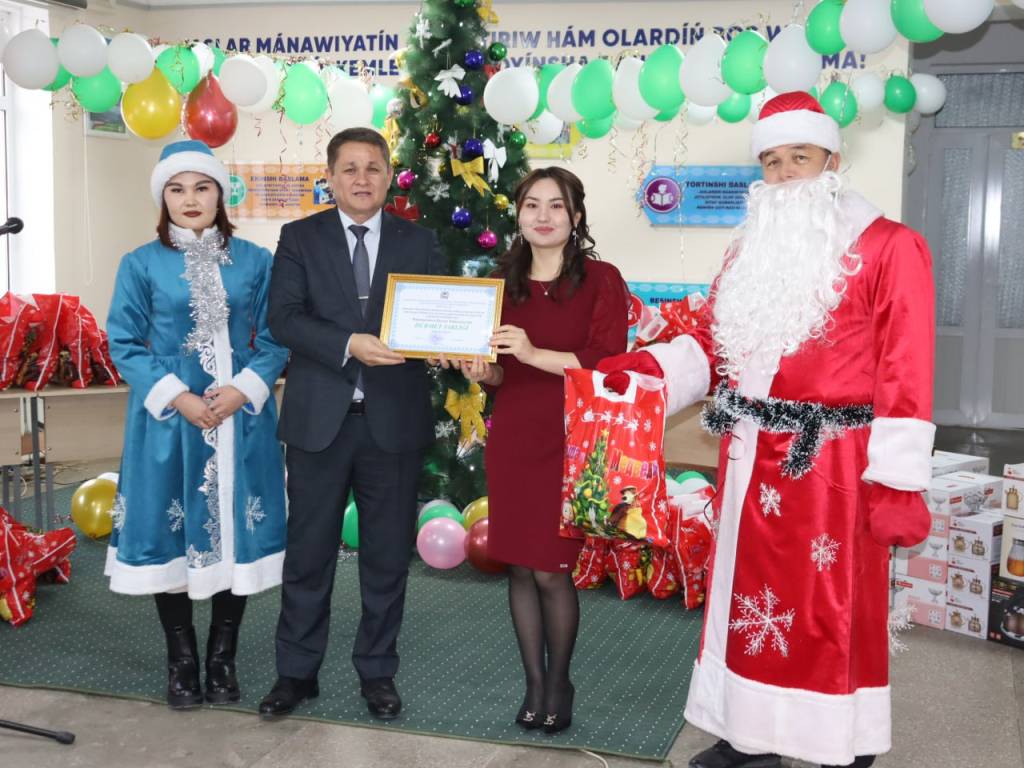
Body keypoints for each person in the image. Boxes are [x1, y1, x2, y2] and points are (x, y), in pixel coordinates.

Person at [599, 92, 935, 768]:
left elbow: (908, 368)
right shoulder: (747, 251)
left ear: (832, 161)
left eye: (799, 158)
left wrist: (899, 481)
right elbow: (713, 341)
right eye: (772, 161)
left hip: (834, 467)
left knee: (827, 607)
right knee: (748, 601)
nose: (784, 176)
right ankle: (749, 737)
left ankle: (840, 739)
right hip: (751, 458)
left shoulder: (889, 247)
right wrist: (652, 370)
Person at [261, 127, 445, 721]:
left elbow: (439, 315)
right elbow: (284, 318)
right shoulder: (300, 238)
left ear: (389, 176)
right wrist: (348, 344)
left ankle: (377, 672)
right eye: (349, 168)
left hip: (393, 425)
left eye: (373, 167)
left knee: (387, 558)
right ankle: (295, 673)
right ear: (331, 178)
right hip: (319, 424)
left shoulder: (420, 242)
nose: (361, 178)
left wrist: (450, 346)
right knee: (307, 554)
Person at [105, 139, 289, 709]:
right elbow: (124, 342)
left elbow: (277, 336)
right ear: (162, 197)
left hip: (242, 420)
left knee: (236, 532)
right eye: (177, 189)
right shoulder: (139, 264)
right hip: (168, 423)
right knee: (171, 534)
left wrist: (243, 390)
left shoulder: (256, 261)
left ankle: (222, 657)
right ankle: (181, 660)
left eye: (202, 186)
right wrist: (179, 398)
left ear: (220, 193)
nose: (190, 199)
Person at [446, 167, 628, 734]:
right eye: (532, 205)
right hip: (515, 435)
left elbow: (607, 364)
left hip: (571, 438)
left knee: (551, 570)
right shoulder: (499, 283)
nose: (543, 216)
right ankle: (533, 683)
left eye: (556, 205)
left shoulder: (602, 280)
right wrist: (486, 372)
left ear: (576, 217)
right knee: (520, 569)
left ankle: (560, 682)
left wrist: (531, 352)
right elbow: (502, 373)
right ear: (519, 215)